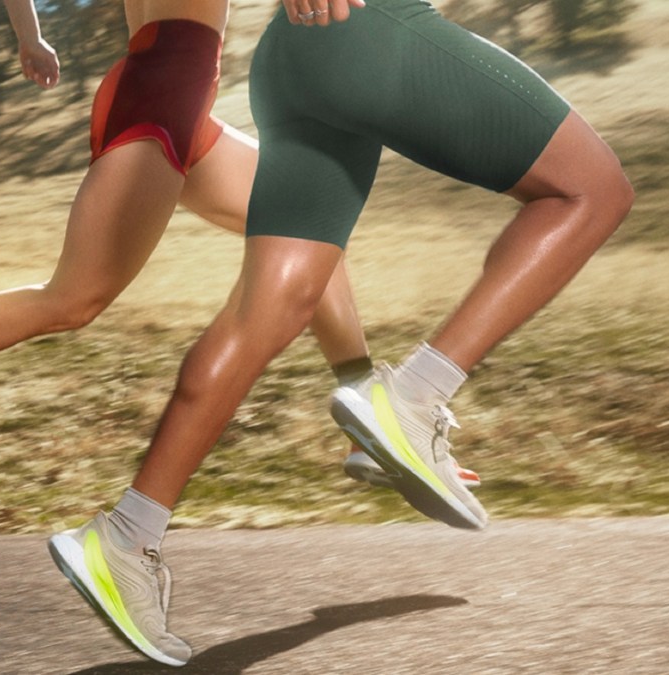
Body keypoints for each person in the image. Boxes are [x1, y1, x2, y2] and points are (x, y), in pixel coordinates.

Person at [47, 0, 634, 666]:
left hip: (294, 62)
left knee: (271, 307)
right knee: (592, 190)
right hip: (367, 26)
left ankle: (126, 535)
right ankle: (413, 397)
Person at [0, 0, 476, 490]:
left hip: (184, 105)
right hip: (155, 103)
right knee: (73, 300)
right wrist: (29, 35)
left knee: (311, 227)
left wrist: (31, 36)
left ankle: (372, 425)